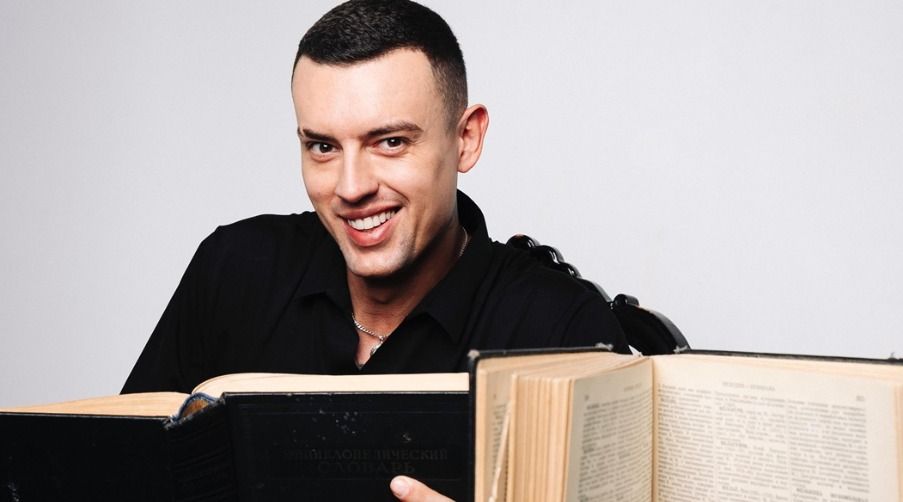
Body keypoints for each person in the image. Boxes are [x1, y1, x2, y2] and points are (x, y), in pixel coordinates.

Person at [123, 0, 628, 499]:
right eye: (323, 147)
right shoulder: (234, 270)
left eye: (390, 142)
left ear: (466, 139)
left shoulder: (565, 329)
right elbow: (116, 475)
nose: (351, 188)